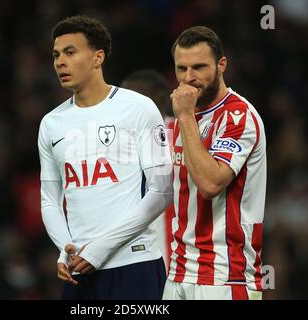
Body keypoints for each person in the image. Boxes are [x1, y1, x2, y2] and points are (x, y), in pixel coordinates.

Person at [37, 16, 173, 300]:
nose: (60, 61)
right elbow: (50, 199)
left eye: (70, 52)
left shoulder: (138, 108)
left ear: (98, 57)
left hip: (134, 264)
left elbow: (162, 191)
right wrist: (65, 248)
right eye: (56, 55)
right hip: (79, 271)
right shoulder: (51, 124)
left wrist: (101, 249)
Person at [163, 26, 267, 300]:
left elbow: (210, 184)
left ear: (222, 65)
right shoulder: (180, 120)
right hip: (178, 271)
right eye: (181, 68)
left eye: (199, 67)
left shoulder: (238, 116)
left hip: (225, 275)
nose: (188, 78)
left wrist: (185, 116)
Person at [121, 69, 175, 272]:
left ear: (159, 100)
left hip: (178, 257)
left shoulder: (181, 135)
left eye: (133, 100)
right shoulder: (119, 143)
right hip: (136, 258)